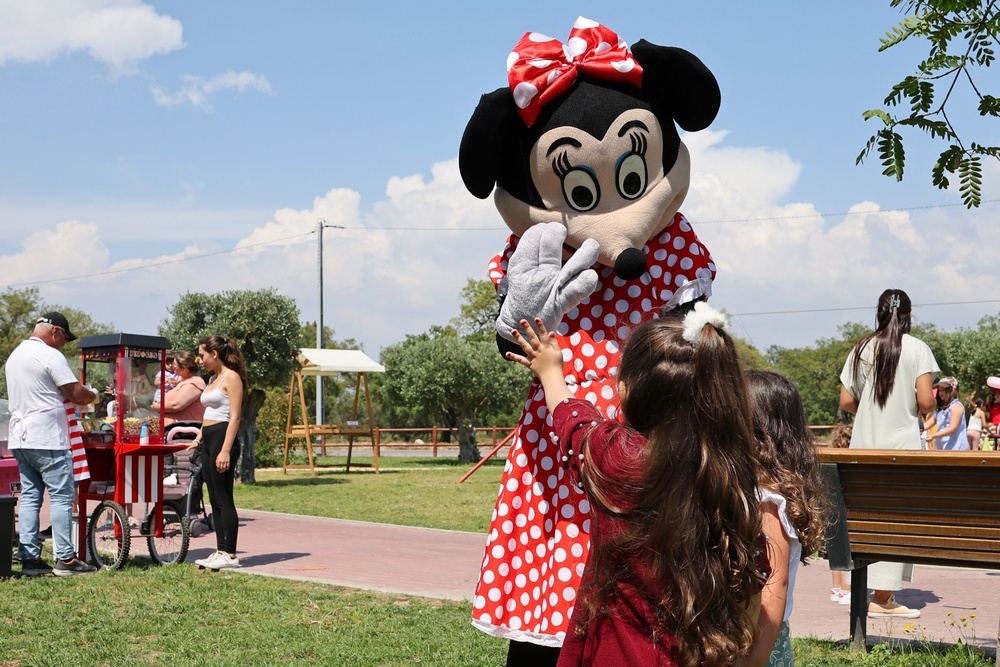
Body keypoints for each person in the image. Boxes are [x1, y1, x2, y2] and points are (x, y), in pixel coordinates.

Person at [506, 306, 769, 667]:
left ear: (626, 390)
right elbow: (750, 592)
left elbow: (574, 421)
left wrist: (551, 372)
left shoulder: (616, 458)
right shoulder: (729, 474)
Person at [840, 288, 937, 619]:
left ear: (879, 313)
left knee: (866, 516)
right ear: (909, 315)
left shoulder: (861, 348)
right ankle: (882, 599)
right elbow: (926, 402)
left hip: (863, 449)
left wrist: (871, 411)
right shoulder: (917, 348)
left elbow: (846, 401)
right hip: (902, 452)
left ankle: (861, 589)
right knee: (897, 519)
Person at [4, 312, 98, 576]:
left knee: (31, 496)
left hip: (21, 438)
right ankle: (65, 558)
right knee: (61, 496)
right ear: (56, 331)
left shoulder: (16, 355)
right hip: (48, 437)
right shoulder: (49, 355)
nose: (64, 345)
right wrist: (94, 395)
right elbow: (76, 394)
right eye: (65, 339)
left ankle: (29, 558)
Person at [743, 371, 827, 667]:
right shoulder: (760, 493)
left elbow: (774, 585)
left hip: (759, 641)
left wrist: (754, 659)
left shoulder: (765, 502)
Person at [191, 335, 246, 570]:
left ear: (214, 354)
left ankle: (231, 554)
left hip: (223, 439)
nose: (200, 360)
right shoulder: (212, 378)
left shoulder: (231, 377)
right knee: (214, 498)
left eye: (202, 355)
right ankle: (220, 551)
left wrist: (225, 450)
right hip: (209, 439)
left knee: (224, 498)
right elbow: (208, 415)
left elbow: (235, 417)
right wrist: (198, 438)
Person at [827, 424, 852, 605]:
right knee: (848, 552)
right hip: (847, 511)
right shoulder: (851, 462)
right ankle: (846, 589)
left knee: (836, 551)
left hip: (831, 510)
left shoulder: (831, 459)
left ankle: (836, 589)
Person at [152, 350, 205, 425]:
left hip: (180, 430)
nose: (172, 367)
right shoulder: (184, 382)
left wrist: (156, 406)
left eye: (174, 364)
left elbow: (176, 405)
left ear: (184, 369)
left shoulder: (195, 382)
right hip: (171, 428)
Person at [924, 377, 968, 451]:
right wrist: (919, 428)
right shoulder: (940, 408)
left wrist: (933, 435)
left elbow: (953, 428)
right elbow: (931, 421)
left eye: (944, 390)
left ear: (952, 391)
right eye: (939, 390)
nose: (941, 393)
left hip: (956, 449)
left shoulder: (956, 406)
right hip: (943, 448)